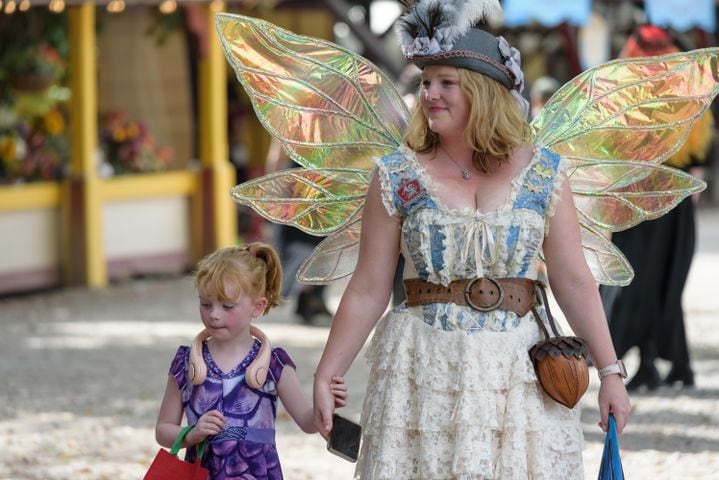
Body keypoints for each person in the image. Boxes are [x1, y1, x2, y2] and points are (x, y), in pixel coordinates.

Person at [312, 4, 630, 479]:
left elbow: (574, 281)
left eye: (446, 82)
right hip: (421, 364)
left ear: (484, 91)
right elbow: (367, 288)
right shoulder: (397, 175)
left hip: (517, 370)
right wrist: (327, 371)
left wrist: (609, 373)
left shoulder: (544, 173)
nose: (429, 94)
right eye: (425, 82)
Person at [153, 243, 347, 479]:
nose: (214, 314)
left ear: (258, 306)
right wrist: (191, 434)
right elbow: (163, 430)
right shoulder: (186, 362)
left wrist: (325, 402)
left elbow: (307, 423)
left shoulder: (274, 365)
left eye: (227, 306)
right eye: (206, 304)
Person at [600, 24, 715, 390]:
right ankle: (666, 362)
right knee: (661, 280)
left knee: (645, 279)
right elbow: (700, 146)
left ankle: (655, 361)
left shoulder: (625, 88)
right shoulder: (684, 88)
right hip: (666, 194)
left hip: (640, 192)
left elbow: (610, 143)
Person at [265, 138, 333, 324]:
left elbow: (276, 155)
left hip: (298, 184)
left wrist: (272, 189)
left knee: (303, 242)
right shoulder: (329, 120)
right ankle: (309, 295)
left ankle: (310, 297)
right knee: (316, 241)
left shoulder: (293, 118)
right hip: (319, 182)